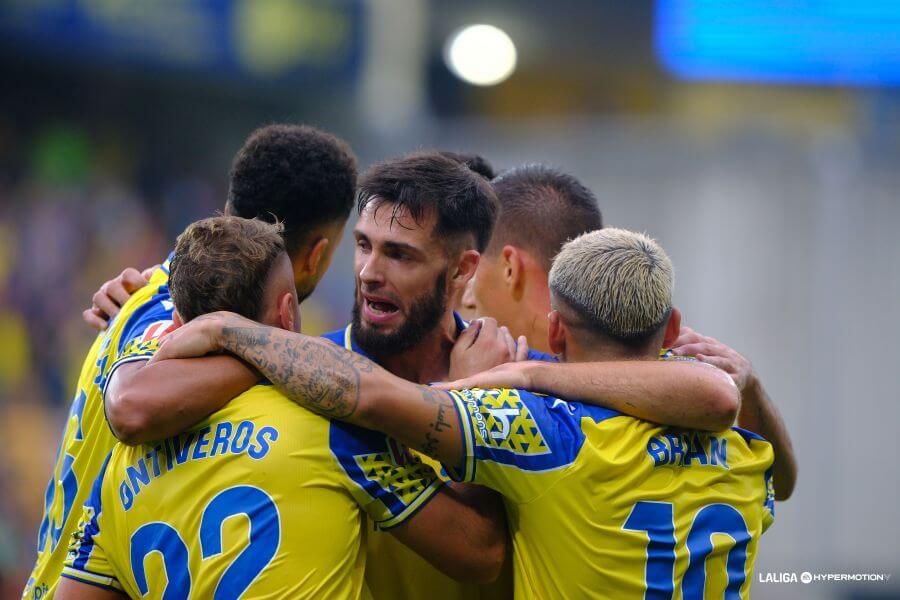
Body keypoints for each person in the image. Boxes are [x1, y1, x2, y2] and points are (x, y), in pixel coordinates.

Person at [153, 227, 775, 599]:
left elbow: (367, 396)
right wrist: (752, 388)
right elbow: (743, 423)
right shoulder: (749, 456)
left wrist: (236, 332)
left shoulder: (548, 433)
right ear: (670, 326)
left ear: (554, 332)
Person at [55, 217, 506, 599]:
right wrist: (476, 396)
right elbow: (480, 553)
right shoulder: (333, 424)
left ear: (176, 325)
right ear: (288, 315)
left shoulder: (117, 469)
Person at [24, 123, 358, 600]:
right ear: (320, 253)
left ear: (226, 210)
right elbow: (133, 407)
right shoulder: (167, 302)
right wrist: (284, 351)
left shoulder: (175, 299)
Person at [462, 164, 797, 500]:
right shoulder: (675, 371)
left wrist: (524, 376)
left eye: (475, 270)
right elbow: (778, 484)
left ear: (509, 267)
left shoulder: (681, 381)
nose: (467, 293)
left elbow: (770, 474)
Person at [461, 164, 603, 352]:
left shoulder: (477, 378)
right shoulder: (649, 353)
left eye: (476, 270)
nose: (467, 298)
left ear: (510, 269)